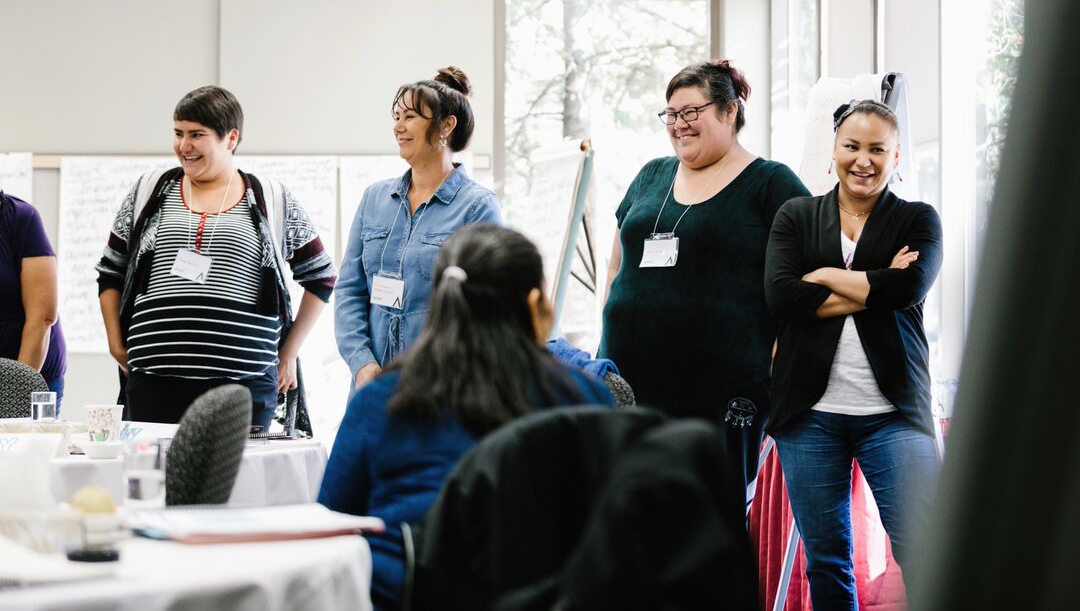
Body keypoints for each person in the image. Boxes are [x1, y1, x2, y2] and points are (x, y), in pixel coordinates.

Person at [319, 223, 614, 610]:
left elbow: (331, 530)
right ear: (534, 305)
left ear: (440, 301)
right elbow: (609, 527)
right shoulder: (584, 397)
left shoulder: (381, 401)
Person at [763, 99, 942, 611]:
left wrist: (818, 277)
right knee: (827, 559)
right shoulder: (797, 216)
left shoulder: (916, 219)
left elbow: (908, 289)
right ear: (834, 150)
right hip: (809, 415)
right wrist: (874, 283)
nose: (863, 160)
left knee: (922, 553)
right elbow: (779, 296)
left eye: (877, 149)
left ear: (896, 156)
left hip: (893, 414)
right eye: (852, 146)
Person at [600, 60, 809, 495]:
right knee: (624, 514)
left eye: (691, 112)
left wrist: (778, 355)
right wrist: (612, 317)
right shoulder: (652, 175)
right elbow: (618, 261)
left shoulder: (770, 183)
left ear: (730, 111)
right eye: (671, 114)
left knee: (707, 519)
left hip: (721, 389)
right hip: (629, 382)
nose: (678, 125)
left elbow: (805, 277)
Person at [95, 86, 336, 430]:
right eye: (178, 134)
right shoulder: (149, 191)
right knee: (156, 482)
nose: (184, 146)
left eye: (197, 135)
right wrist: (115, 342)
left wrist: (288, 352)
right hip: (154, 384)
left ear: (231, 138)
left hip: (243, 388)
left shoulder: (271, 197)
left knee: (240, 483)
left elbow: (322, 277)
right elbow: (110, 272)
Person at [334, 67, 500, 392]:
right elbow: (349, 292)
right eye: (396, 117)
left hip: (439, 393)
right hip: (371, 388)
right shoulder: (375, 199)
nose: (398, 127)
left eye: (409, 117)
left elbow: (487, 310)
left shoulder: (478, 207)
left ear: (446, 126)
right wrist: (363, 364)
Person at [0, 191, 66, 410]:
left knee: (28, 443)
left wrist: (15, 395)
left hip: (33, 374)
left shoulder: (21, 218)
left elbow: (43, 316)